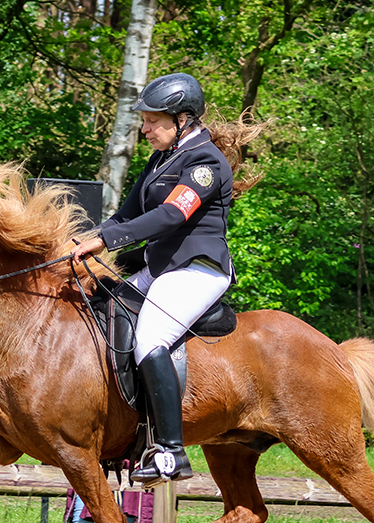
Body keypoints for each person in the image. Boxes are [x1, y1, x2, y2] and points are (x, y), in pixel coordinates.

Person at [73, 72, 267, 488]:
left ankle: (170, 452)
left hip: (197, 270)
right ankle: (125, 427)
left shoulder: (205, 163)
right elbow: (126, 215)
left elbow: (173, 215)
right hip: (161, 269)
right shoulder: (159, 160)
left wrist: (106, 241)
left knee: (150, 338)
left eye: (151, 121)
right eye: (143, 120)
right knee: (101, 310)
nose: (144, 129)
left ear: (182, 119)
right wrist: (82, 240)